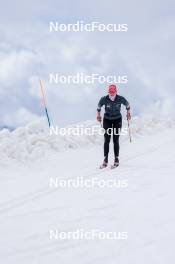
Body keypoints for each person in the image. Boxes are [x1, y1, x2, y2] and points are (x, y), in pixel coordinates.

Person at [97, 84, 131, 168]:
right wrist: (98, 115)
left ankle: (116, 159)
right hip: (107, 120)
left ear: (116, 91)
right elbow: (98, 107)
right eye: (110, 92)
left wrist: (128, 113)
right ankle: (105, 159)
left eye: (113, 92)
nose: (111, 93)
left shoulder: (120, 98)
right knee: (107, 140)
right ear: (108, 92)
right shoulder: (104, 99)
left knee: (116, 139)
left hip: (117, 120)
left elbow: (127, 105)